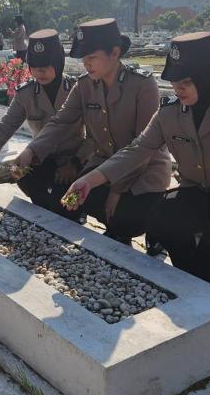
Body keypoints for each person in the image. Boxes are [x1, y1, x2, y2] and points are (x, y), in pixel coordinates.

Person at [62, 32, 210, 294]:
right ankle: (191, 271)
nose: (178, 89)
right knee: (161, 218)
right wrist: (90, 179)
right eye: (175, 82)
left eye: (186, 82)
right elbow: (137, 149)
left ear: (207, 77)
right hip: (195, 195)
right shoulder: (169, 112)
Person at [16, 18, 171, 244]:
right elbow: (61, 121)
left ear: (114, 53)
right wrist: (31, 151)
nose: (86, 63)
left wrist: (117, 189)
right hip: (103, 164)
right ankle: (114, 227)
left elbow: (143, 147)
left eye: (91, 57)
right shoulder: (85, 85)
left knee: (127, 215)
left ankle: (148, 230)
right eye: (83, 58)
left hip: (144, 171)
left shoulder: (142, 85)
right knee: (74, 198)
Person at [0, 29, 90, 217]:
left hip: (73, 159)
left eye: (46, 66)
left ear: (58, 63)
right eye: (35, 67)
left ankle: (71, 214)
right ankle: (50, 212)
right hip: (41, 158)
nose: (40, 72)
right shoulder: (26, 94)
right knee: (21, 175)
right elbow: (3, 129)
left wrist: (75, 163)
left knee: (68, 200)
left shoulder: (77, 90)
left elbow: (95, 136)